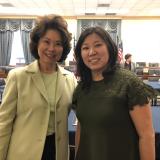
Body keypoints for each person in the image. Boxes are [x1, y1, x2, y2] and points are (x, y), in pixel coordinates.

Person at [72, 26, 156, 160]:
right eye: (85, 48)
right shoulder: (82, 87)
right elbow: (81, 129)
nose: (91, 52)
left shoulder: (129, 83)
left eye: (98, 45)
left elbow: (146, 135)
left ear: (109, 48)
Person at [0, 14, 77, 160]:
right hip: (23, 153)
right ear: (37, 43)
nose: (51, 48)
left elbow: (85, 110)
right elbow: (3, 123)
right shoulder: (18, 77)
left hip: (57, 153)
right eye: (46, 42)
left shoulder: (70, 79)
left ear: (64, 48)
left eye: (58, 43)